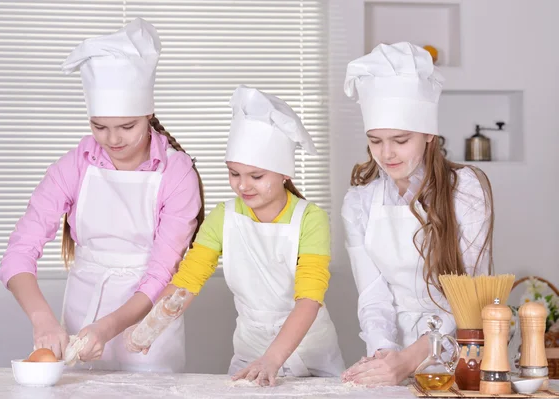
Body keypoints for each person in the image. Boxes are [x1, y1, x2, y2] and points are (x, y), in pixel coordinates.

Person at [0, 18, 204, 372]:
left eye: (127, 126)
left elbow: (160, 273)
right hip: (82, 313)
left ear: (148, 115)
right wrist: (43, 319)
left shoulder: (176, 172)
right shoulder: (73, 166)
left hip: (146, 322)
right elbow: (18, 253)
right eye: (100, 127)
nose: (113, 140)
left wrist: (108, 328)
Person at [124, 85, 345, 386]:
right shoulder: (223, 217)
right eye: (234, 173)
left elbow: (309, 299)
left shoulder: (311, 219)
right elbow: (187, 282)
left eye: (256, 176)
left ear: (284, 173)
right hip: (249, 352)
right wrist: (150, 326)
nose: (243, 186)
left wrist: (273, 358)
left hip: (311, 353)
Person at [340, 42, 494, 386]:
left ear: (428, 134)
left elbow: (469, 293)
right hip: (392, 349)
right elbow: (372, 294)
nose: (387, 153)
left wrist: (414, 357)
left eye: (400, 139)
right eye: (375, 141)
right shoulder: (359, 202)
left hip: (459, 349)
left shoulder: (466, 190)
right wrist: (385, 353)